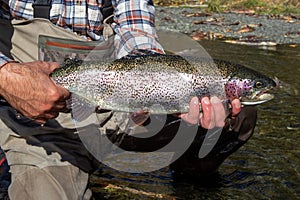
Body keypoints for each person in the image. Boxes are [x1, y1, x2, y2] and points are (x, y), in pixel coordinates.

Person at [0, 0, 256, 199]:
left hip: (121, 104)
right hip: (42, 125)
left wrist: (161, 84)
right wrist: (6, 76)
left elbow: (136, 30)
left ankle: (191, 183)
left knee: (239, 116)